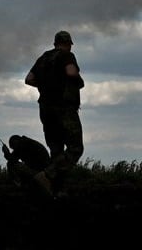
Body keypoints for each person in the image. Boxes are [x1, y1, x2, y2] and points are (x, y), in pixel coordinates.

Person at [25, 29, 84, 197]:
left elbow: (29, 79)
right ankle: (47, 175)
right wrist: (77, 81)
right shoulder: (66, 56)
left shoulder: (44, 57)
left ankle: (56, 189)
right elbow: (71, 72)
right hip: (63, 108)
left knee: (56, 150)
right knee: (75, 148)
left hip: (45, 109)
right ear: (68, 44)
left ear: (55, 43)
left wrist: (46, 85)